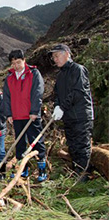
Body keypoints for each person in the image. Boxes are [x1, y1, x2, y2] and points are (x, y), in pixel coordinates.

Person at [50, 44, 94, 181]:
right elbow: (57, 94)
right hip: (68, 117)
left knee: (82, 145)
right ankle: (77, 171)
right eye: (53, 57)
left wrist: (62, 107)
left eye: (57, 56)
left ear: (67, 54)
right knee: (72, 145)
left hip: (81, 115)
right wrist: (57, 106)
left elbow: (77, 92)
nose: (55, 60)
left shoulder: (78, 70)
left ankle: (83, 175)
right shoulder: (60, 75)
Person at [3, 49, 47, 182]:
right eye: (13, 63)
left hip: (31, 116)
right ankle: (23, 170)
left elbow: (37, 93)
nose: (16, 66)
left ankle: (42, 170)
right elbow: (6, 97)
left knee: (36, 141)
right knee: (20, 144)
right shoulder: (9, 77)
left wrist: (34, 111)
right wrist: (9, 114)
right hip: (17, 116)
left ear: (24, 60)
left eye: (18, 62)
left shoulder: (33, 73)